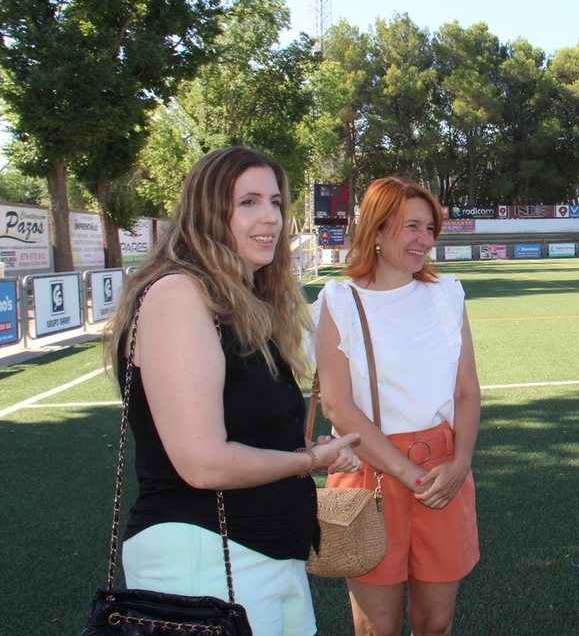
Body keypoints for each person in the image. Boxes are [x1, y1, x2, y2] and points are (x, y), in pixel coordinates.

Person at [104, 146, 362, 636]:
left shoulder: (242, 302)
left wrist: (302, 451)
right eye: (248, 202)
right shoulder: (179, 294)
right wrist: (309, 463)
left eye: (276, 202)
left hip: (265, 558)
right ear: (207, 212)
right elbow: (203, 463)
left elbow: (245, 435)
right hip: (206, 560)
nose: (270, 217)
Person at [313, 177, 480, 636]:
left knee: (436, 623)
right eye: (412, 227)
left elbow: (467, 391)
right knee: (375, 628)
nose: (424, 239)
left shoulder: (447, 294)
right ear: (378, 231)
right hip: (372, 472)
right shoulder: (339, 299)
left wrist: (461, 461)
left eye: (430, 228)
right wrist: (408, 475)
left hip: (444, 472)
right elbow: (337, 404)